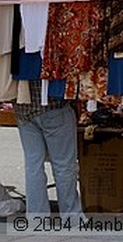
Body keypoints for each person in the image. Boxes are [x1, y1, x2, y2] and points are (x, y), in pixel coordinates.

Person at [14, 75, 81, 214]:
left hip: (23, 109)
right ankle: (71, 217)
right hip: (54, 107)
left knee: (33, 165)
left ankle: (37, 216)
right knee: (63, 165)